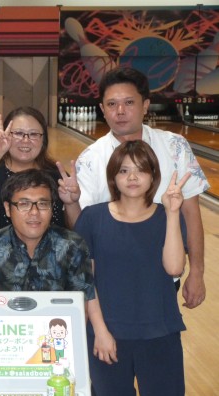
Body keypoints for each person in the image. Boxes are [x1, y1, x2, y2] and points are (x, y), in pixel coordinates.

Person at [75, 67, 209, 309]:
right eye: (112, 104)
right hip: (110, 278)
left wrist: (197, 271)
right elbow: (83, 225)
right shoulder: (89, 159)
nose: (120, 111)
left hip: (164, 274)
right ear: (102, 109)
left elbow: (191, 213)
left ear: (145, 105)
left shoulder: (175, 146)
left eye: (129, 102)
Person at [74, 141, 189, 396]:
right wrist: (100, 331)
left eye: (141, 170)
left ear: (153, 176)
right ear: (113, 177)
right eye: (124, 171)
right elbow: (85, 281)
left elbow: (174, 267)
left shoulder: (168, 217)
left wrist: (173, 213)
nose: (132, 177)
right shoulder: (92, 218)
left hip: (161, 333)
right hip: (107, 335)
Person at [0, 106, 81, 240]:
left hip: (52, 254)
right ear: (6, 135)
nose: (26, 140)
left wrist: (71, 203)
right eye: (18, 133)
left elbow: (77, 230)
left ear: (43, 140)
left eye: (34, 134)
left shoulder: (57, 177)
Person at [0, 168, 93, 302]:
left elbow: (81, 306)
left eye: (43, 204)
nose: (34, 212)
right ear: (7, 208)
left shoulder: (73, 246)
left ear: (52, 208)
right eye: (24, 204)